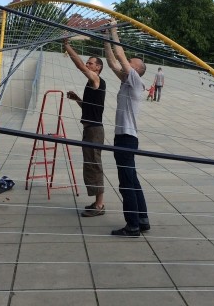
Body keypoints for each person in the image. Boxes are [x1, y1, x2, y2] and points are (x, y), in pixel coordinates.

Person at [104, 20, 150, 237]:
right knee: (132, 179)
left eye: (131, 63)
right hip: (126, 138)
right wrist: (105, 38)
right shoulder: (126, 81)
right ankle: (142, 219)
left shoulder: (135, 82)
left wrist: (113, 30)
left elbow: (120, 55)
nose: (126, 64)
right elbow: (113, 62)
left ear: (136, 70)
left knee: (125, 183)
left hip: (125, 138)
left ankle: (132, 225)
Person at [63, 37, 107, 217]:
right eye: (88, 62)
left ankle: (99, 206)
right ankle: (97, 202)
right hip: (90, 129)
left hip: (95, 131)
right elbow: (90, 109)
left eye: (91, 63)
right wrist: (77, 100)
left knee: (94, 165)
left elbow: (79, 66)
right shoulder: (92, 84)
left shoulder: (96, 79)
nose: (88, 65)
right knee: (90, 165)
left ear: (98, 68)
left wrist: (67, 46)